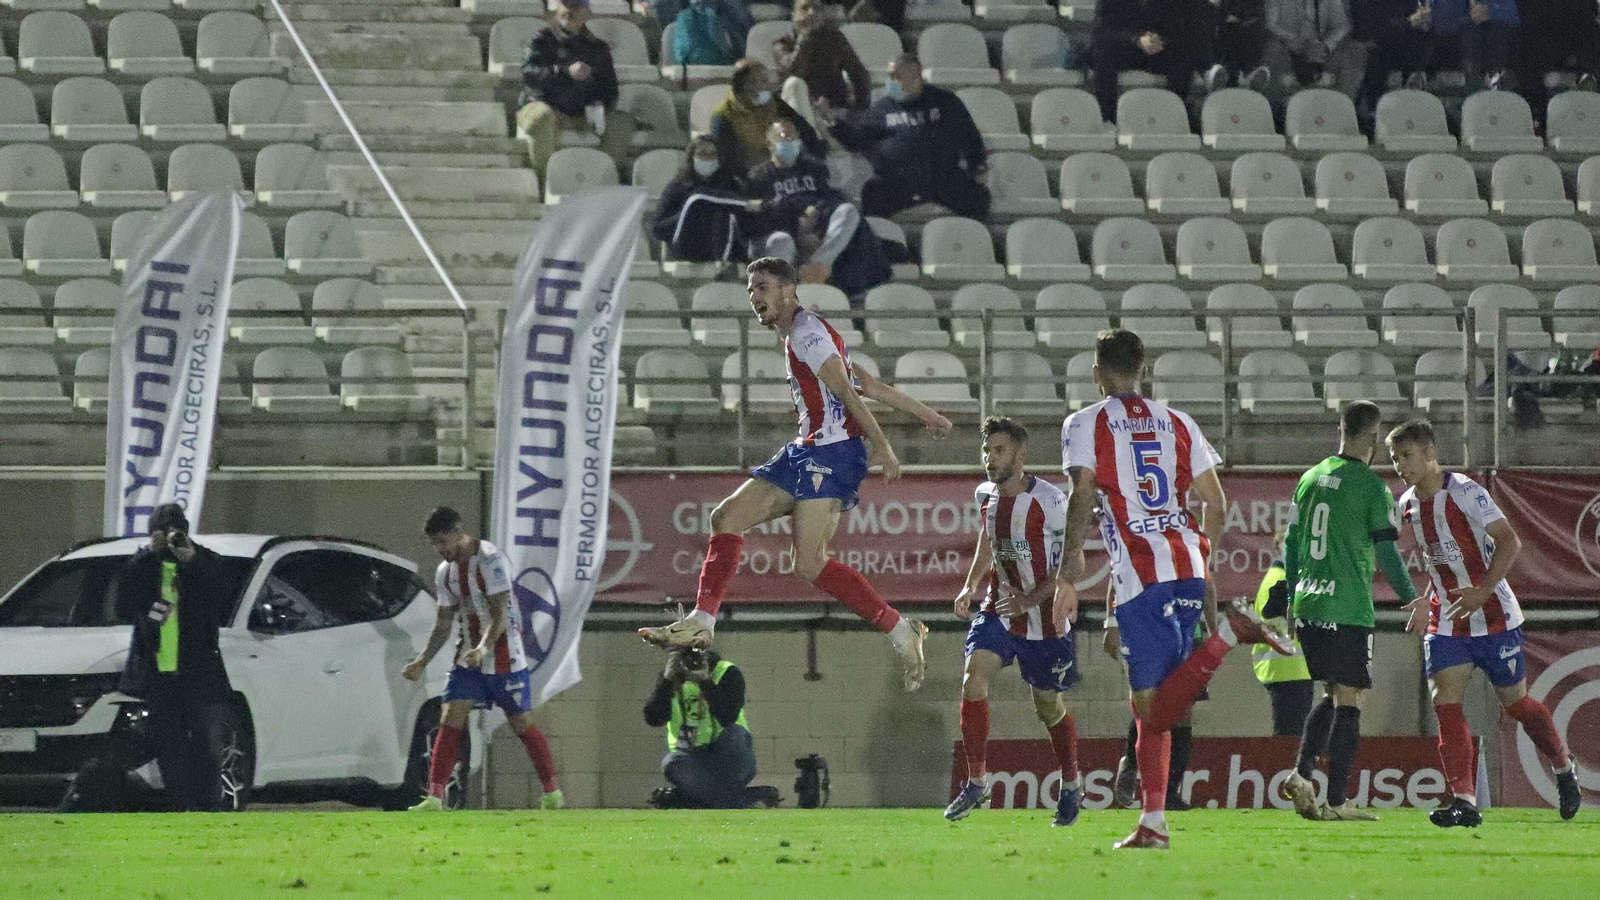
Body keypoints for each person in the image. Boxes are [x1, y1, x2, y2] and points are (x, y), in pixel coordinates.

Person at [638, 257, 954, 691]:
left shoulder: (806, 333)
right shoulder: (806, 334)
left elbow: (846, 390)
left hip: (833, 452)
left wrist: (882, 445)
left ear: (789, 290)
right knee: (726, 519)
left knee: (808, 562)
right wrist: (929, 415)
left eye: (762, 287)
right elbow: (871, 386)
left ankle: (900, 628)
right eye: (750, 291)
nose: (755, 297)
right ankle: (702, 621)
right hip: (808, 448)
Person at [1059, 328, 1294, 850]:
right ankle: (1154, 822)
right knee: (1160, 709)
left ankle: (1230, 635)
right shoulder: (1179, 422)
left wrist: (1065, 573)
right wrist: (1199, 550)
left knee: (1153, 709)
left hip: (1141, 575)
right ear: (1143, 371)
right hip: (1186, 565)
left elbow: (1081, 492)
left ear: (1096, 374)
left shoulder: (1085, 422)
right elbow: (1216, 502)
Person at [1387, 419, 1581, 826]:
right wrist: (1424, 599)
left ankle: (1563, 767)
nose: (1399, 465)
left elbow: (1511, 542)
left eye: (1406, 456)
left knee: (1517, 705)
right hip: (1448, 620)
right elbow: (1440, 560)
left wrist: (1482, 590)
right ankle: (1464, 800)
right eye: (1393, 458)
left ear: (1430, 454)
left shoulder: (1466, 491)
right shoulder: (1406, 503)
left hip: (1494, 616)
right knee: (1446, 702)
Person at [1277, 402, 1418, 823]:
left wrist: (1290, 595)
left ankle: (1303, 774)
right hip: (1347, 606)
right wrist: (1411, 597)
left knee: (1332, 692)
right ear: (1374, 438)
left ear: (1340, 429)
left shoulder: (1310, 478)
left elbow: (1289, 543)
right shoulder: (1371, 488)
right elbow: (1387, 553)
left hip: (1309, 601)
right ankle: (1337, 800)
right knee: (1351, 698)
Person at [945, 417, 1085, 828]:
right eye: (986, 450)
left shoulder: (1051, 502)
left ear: (1020, 454)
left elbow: (1074, 562)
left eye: (999, 450)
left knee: (1047, 707)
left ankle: (1072, 784)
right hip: (999, 607)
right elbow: (988, 540)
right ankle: (977, 781)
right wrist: (971, 585)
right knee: (973, 679)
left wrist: (1033, 599)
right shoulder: (984, 494)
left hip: (1043, 616)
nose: (990, 459)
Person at [403, 507, 563, 812]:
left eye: (442, 542)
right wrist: (422, 661)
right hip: (468, 659)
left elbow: (500, 614)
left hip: (504, 656)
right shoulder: (445, 572)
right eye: (434, 545)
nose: (440, 550)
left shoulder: (490, 559)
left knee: (521, 724)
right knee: (450, 719)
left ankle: (551, 791)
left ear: (456, 531)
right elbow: (443, 622)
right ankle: (434, 798)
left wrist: (484, 649)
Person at [110, 503, 237, 812]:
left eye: (173, 531)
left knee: (207, 744)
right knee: (170, 746)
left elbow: (223, 594)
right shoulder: (144, 567)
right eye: (162, 531)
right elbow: (123, 606)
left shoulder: (203, 562)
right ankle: (180, 804)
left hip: (198, 672)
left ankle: (208, 804)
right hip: (159, 674)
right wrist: (146, 555)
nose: (168, 538)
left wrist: (190, 558)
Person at [832, 55, 992, 221]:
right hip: (897, 182)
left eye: (901, 77)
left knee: (978, 199)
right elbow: (857, 140)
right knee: (872, 198)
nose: (896, 82)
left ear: (917, 77)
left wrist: (977, 166)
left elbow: (969, 135)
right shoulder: (882, 108)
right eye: (892, 77)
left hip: (943, 178)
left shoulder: (945, 102)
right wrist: (833, 123)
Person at [743, 119, 891, 295]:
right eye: (784, 137)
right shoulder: (758, 177)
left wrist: (816, 220)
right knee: (782, 240)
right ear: (770, 144)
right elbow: (759, 216)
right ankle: (781, 294)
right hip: (782, 232)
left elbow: (831, 198)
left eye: (795, 137)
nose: (791, 142)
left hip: (819, 230)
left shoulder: (814, 168)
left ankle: (816, 267)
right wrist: (796, 227)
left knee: (848, 211)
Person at [1105, 579, 1215, 811]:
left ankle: (1169, 793)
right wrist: (1111, 624)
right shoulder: (1145, 543)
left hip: (1187, 630)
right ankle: (1131, 760)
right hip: (1146, 625)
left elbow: (1208, 582)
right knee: (1148, 701)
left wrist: (1213, 628)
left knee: (1183, 711)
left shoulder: (1194, 546)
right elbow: (1118, 577)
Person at [516, 0, 633, 180]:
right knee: (542, 118)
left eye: (576, 8)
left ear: (587, 12)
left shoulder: (598, 48)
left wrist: (597, 106)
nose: (570, 12)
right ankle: (546, 181)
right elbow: (529, 75)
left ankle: (602, 180)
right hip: (544, 106)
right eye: (566, 6)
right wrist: (565, 72)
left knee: (621, 123)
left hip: (582, 113)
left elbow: (610, 89)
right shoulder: (542, 39)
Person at [643, 647, 758, 808]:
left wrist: (706, 683)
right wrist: (666, 682)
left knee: (736, 735)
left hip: (728, 757)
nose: (690, 666)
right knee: (670, 762)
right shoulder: (670, 679)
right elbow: (654, 719)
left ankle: (699, 799)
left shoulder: (726, 672)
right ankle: (734, 800)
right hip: (693, 759)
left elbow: (728, 717)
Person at [1090, 0, 1203, 123]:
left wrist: (1160, 40)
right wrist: (1137, 40)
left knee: (1184, 55)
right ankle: (1108, 119)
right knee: (1103, 54)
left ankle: (1173, 117)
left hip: (1158, 49)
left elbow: (1180, 24)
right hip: (1124, 48)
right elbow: (1102, 30)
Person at [711, 59, 826, 176]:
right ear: (745, 85)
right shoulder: (723, 116)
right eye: (763, 81)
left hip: (785, 165)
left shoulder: (774, 103)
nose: (769, 86)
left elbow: (805, 130)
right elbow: (729, 163)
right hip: (755, 174)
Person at [773, 0, 873, 127]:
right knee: (794, 84)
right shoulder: (783, 43)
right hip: (797, 114)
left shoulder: (835, 38)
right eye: (805, 8)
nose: (811, 12)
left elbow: (859, 74)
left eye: (816, 8)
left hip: (832, 108)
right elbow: (793, 70)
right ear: (794, 15)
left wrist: (859, 110)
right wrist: (805, 38)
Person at [1253, 528, 1313, 737]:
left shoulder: (1281, 577)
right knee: (1290, 737)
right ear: (1279, 548)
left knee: (1291, 733)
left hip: (1288, 667)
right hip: (1288, 667)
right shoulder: (1281, 580)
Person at [652, 135, 748, 266]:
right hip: (687, 246)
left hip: (725, 248)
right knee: (697, 203)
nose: (707, 159)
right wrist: (689, 215)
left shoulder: (732, 185)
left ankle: (723, 264)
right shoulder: (677, 186)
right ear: (692, 157)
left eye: (712, 154)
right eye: (702, 154)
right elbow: (659, 226)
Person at [1261, 0, 1367, 101]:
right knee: (1273, 49)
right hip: (1288, 51)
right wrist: (1298, 44)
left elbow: (1341, 26)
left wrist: (1326, 45)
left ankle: (1342, 106)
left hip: (1322, 52)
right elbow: (1271, 25)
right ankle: (1276, 110)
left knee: (1356, 50)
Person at [1201, 0, 1272, 92]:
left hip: (1238, 32)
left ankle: (1249, 72)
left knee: (1246, 28)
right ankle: (1212, 74)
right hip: (1216, 36)